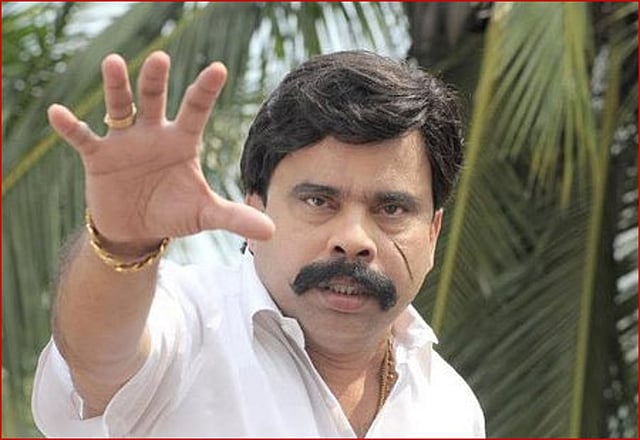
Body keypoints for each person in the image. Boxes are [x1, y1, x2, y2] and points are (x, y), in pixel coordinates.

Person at [32, 49, 485, 437]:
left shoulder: (451, 408)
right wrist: (122, 243)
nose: (353, 240)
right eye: (318, 201)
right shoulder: (186, 325)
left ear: (432, 232)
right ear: (255, 209)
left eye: (391, 209)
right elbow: (96, 357)